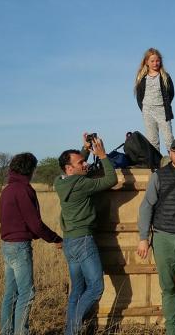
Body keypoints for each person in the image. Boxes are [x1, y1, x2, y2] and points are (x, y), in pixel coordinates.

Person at [54, 134, 118, 335]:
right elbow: (111, 179)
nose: (85, 164)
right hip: (83, 240)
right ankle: (73, 328)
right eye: (81, 163)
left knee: (77, 290)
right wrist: (103, 155)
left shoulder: (59, 182)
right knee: (96, 287)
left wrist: (85, 149)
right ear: (69, 168)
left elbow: (76, 167)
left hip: (69, 241)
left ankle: (69, 332)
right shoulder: (82, 185)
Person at [136, 138, 175, 335]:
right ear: (170, 153)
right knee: (167, 287)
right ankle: (171, 329)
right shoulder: (158, 176)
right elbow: (147, 206)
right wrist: (143, 238)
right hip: (163, 237)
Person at [0, 153, 62, 335]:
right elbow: (35, 224)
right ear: (30, 169)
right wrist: (56, 239)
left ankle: (6, 332)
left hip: (7, 245)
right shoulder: (23, 190)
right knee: (27, 294)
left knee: (10, 294)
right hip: (19, 247)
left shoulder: (7, 189)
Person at [134, 47, 175, 152]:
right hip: (148, 111)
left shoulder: (165, 76)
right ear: (147, 62)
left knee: (169, 138)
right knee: (152, 140)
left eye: (157, 61)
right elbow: (139, 96)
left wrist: (165, 105)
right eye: (152, 61)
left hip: (162, 111)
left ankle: (173, 159)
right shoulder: (142, 78)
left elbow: (171, 93)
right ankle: (155, 161)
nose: (155, 63)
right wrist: (144, 109)